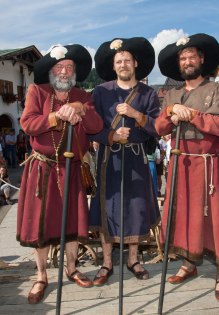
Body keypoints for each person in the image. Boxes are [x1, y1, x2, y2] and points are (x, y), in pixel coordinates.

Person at [16, 44, 103, 304]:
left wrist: (80, 109)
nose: (64, 72)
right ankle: (41, 276)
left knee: (73, 223)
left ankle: (72, 268)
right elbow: (28, 123)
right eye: (59, 68)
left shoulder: (83, 96)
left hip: (72, 168)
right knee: (41, 226)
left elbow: (97, 127)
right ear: (51, 71)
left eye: (69, 68)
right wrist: (55, 116)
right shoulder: (37, 91)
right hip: (42, 168)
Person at [155, 33, 219, 302]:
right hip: (181, 164)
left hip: (208, 166)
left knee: (216, 220)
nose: (187, 61)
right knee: (185, 217)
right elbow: (158, 127)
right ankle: (189, 264)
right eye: (183, 57)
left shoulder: (217, 91)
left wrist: (193, 115)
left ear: (201, 59)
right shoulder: (172, 94)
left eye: (192, 56)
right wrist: (171, 113)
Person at [89, 37, 161, 285]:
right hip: (109, 159)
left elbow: (157, 128)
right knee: (107, 208)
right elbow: (90, 127)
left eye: (127, 60)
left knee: (135, 208)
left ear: (135, 64)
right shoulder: (100, 92)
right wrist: (111, 135)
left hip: (136, 159)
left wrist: (135, 115)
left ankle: (133, 259)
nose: (123, 64)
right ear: (114, 66)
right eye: (119, 61)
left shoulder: (148, 93)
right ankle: (107, 262)